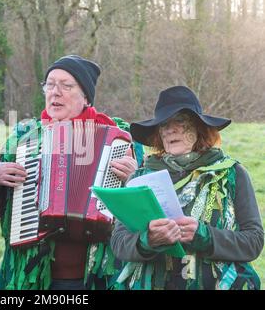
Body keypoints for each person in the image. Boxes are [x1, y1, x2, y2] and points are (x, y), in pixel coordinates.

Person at [0, 55, 143, 290]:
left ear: (85, 97)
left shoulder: (118, 139)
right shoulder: (24, 139)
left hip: (98, 278)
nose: (55, 92)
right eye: (50, 84)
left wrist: (135, 178)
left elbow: (142, 213)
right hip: (34, 277)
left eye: (66, 85)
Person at [110, 85, 264, 290]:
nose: (170, 129)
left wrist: (204, 236)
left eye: (180, 121)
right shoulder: (141, 179)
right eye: (164, 124)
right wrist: (148, 240)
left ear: (200, 128)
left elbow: (253, 241)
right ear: (158, 134)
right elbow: (119, 242)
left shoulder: (232, 174)